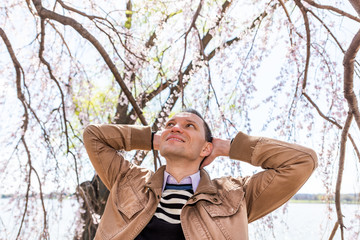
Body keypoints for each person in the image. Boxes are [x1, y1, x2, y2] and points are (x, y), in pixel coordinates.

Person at [83, 109, 317, 240]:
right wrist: (158, 138)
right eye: (170, 124)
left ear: (206, 148)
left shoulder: (235, 195)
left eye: (189, 126)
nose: (175, 127)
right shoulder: (128, 180)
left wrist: (227, 147)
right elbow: (93, 136)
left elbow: (301, 161)